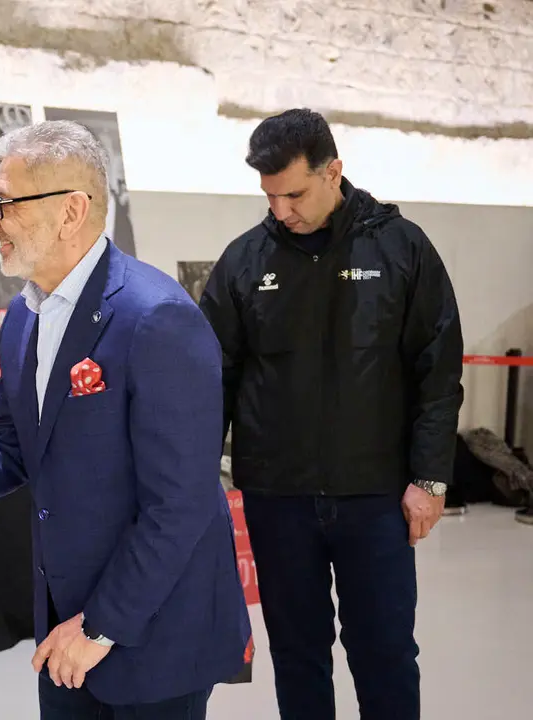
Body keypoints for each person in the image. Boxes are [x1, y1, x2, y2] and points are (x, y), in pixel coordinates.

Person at [0, 120, 251, 720]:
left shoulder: (158, 320)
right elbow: (9, 446)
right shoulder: (24, 318)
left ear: (72, 211)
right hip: (61, 622)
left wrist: (98, 627)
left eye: (5, 203)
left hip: (150, 629)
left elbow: (181, 505)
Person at [198, 108, 464, 720]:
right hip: (277, 497)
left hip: (376, 496)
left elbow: (437, 369)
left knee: (385, 651)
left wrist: (429, 478)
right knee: (296, 652)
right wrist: (193, 484)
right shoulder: (243, 262)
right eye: (269, 196)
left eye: (294, 193)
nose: (281, 209)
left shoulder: (401, 248)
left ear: (334, 171)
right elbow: (213, 378)